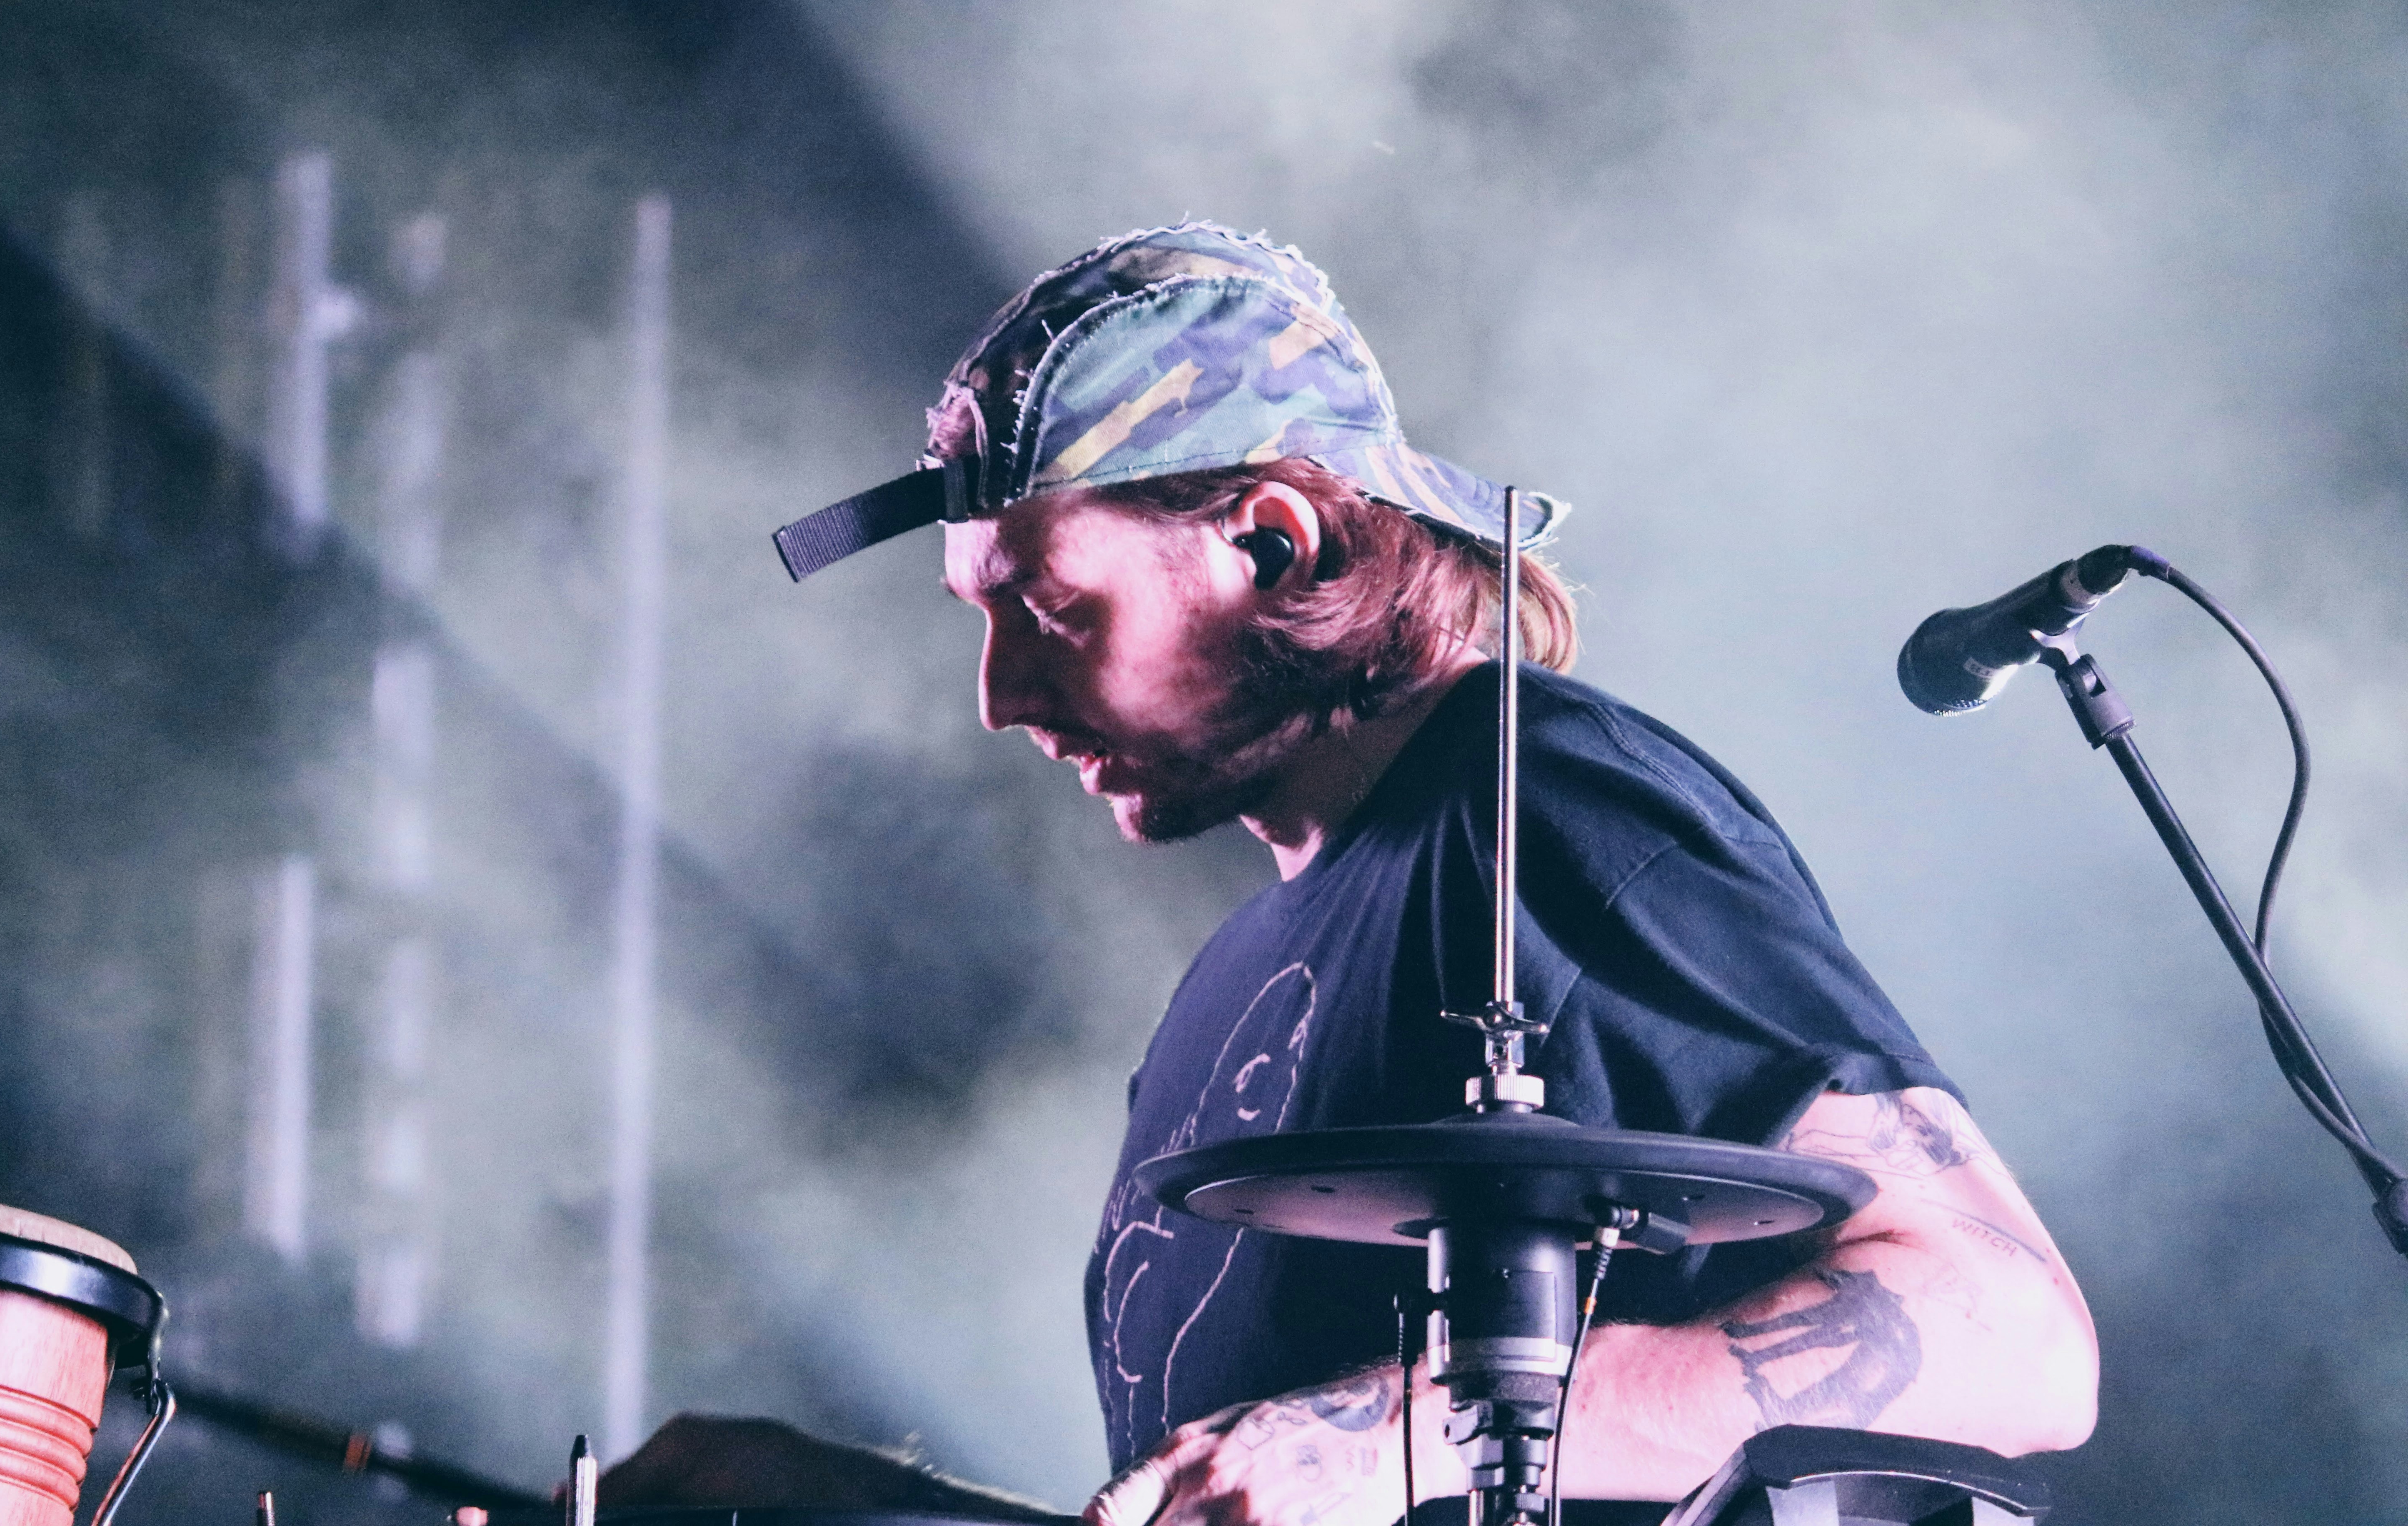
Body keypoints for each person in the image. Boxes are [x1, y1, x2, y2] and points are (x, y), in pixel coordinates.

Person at [610, 224, 2098, 1524]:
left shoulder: (1540, 800)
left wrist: (1388, 1435)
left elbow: (2010, 1335)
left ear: (1270, 538)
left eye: (1053, 611)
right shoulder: (1224, 993)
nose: (997, 697)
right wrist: (847, 1505)